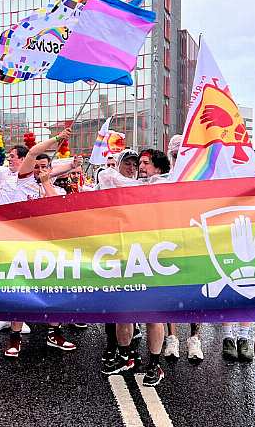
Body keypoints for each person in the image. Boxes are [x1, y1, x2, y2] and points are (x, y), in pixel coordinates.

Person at [0, 126, 75, 357]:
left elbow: (57, 204)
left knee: (52, 290)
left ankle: (55, 334)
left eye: (45, 167)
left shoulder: (44, 184)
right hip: (17, 243)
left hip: (46, 245)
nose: (39, 170)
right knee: (19, 290)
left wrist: (49, 179)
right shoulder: (14, 178)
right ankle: (15, 338)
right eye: (37, 166)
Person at [102, 149, 170, 387]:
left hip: (152, 259)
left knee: (152, 315)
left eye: (145, 163)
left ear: (159, 169)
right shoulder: (126, 186)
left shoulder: (163, 185)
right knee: (123, 312)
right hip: (127, 257)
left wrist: (111, 176)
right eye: (136, 163)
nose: (139, 167)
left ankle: (154, 364)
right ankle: (125, 356)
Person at [161, 135, 204, 362]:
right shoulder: (164, 180)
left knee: (195, 293)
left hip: (195, 244)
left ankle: (194, 339)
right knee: (171, 292)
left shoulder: (200, 179)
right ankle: (171, 338)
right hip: (169, 244)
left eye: (183, 155)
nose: (179, 160)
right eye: (176, 156)